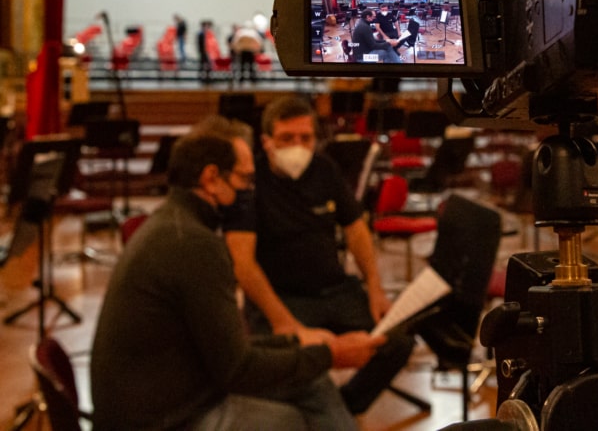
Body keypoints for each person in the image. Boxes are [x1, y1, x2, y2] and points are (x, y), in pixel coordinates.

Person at [90, 115, 383, 430]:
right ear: (212, 178)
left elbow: (228, 348)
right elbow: (237, 368)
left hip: (167, 394)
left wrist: (305, 347)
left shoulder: (174, 223)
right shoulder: (194, 244)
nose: (249, 191)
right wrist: (329, 355)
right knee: (288, 420)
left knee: (311, 383)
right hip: (159, 420)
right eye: (244, 180)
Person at [223, 96, 415, 415]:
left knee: (398, 341)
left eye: (305, 138)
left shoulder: (324, 168)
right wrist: (285, 322)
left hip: (334, 290)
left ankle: (345, 406)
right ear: (267, 141)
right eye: (287, 138)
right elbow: (243, 263)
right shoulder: (251, 180)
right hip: (281, 297)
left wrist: (376, 289)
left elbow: (355, 230)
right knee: (288, 362)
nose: (297, 146)